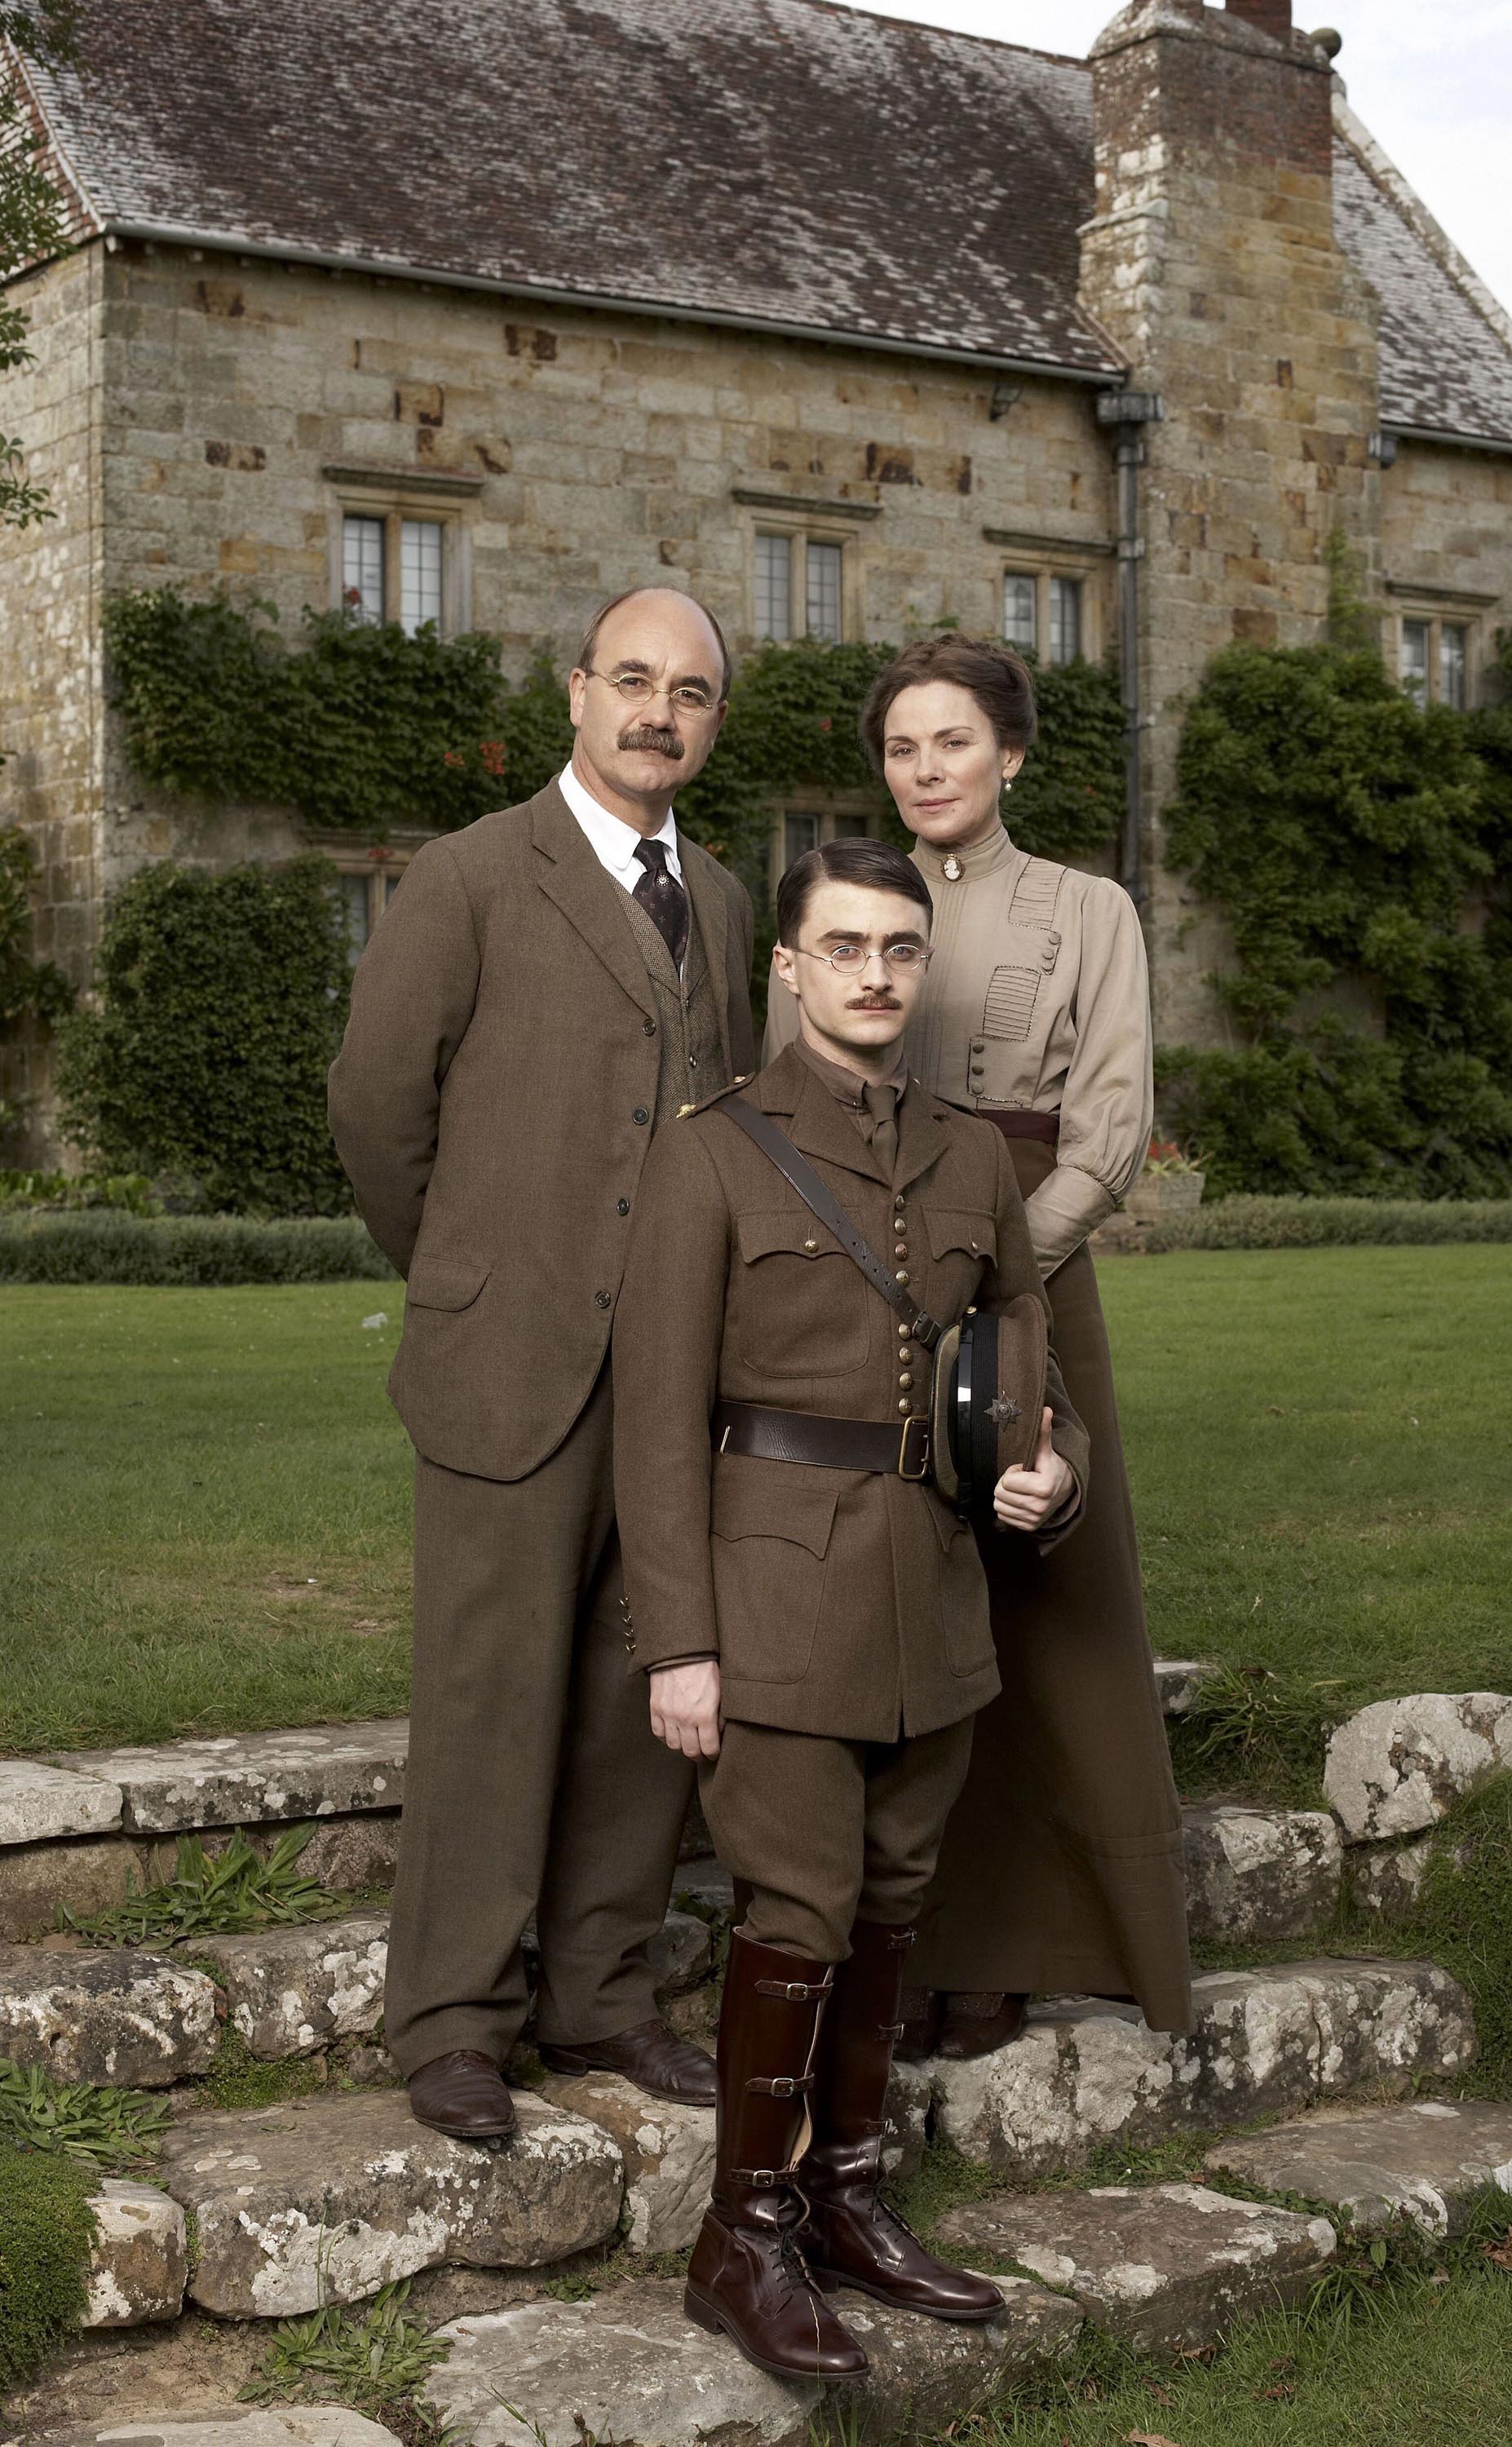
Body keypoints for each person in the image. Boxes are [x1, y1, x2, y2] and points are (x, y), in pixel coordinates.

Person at [612, 836, 1090, 2381]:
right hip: (771, 1597)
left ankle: (847, 2198)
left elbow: (1025, 1356)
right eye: (844, 947)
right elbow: (655, 1422)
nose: (874, 974)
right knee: (802, 1904)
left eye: (898, 948)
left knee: (892, 1901)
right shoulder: (713, 1152)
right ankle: (740, 2238)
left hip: (930, 1594)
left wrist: (1054, 1468)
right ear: (790, 966)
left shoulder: (972, 1156)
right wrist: (681, 1643)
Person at [329, 586, 756, 2140]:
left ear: (713, 721)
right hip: (505, 1360)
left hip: (678, 1375)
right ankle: (453, 2018)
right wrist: (466, 1274)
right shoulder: (467, 877)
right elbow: (377, 1109)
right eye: (632, 679)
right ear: (577, 693)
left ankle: (600, 1998)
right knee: (490, 1692)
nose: (658, 712)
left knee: (644, 1693)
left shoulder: (722, 898)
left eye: (689, 692)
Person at [766, 633, 1192, 2059]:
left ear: (1010, 753)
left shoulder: (1090, 910)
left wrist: (990, 1277)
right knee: (889, 1601)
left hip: (1026, 1280)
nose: (927, 769)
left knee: (1045, 1606)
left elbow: (1111, 1134)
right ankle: (895, 1943)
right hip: (857, 1283)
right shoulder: (850, 909)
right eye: (902, 747)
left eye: (953, 741)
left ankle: (1021, 1944)